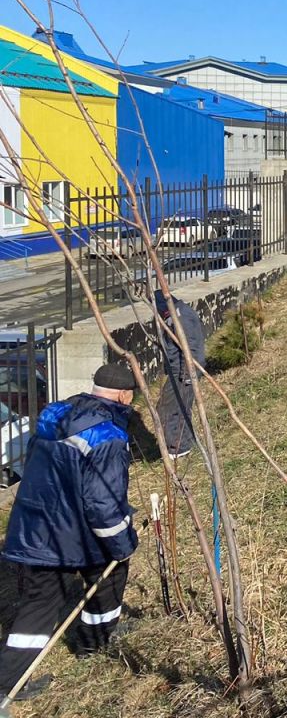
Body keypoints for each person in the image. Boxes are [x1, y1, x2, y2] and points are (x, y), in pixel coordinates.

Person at [0, 363, 139, 704]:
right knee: (111, 569)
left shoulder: (55, 415)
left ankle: (10, 677)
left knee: (40, 601)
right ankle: (91, 641)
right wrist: (123, 545)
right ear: (123, 394)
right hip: (69, 534)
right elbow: (103, 503)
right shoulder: (107, 436)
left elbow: (36, 463)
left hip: (34, 524)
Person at [155, 290, 205, 458]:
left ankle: (177, 447)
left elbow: (189, 346)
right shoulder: (177, 314)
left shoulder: (180, 317)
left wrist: (188, 374)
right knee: (180, 407)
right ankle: (183, 444)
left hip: (183, 372)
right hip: (182, 371)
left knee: (167, 408)